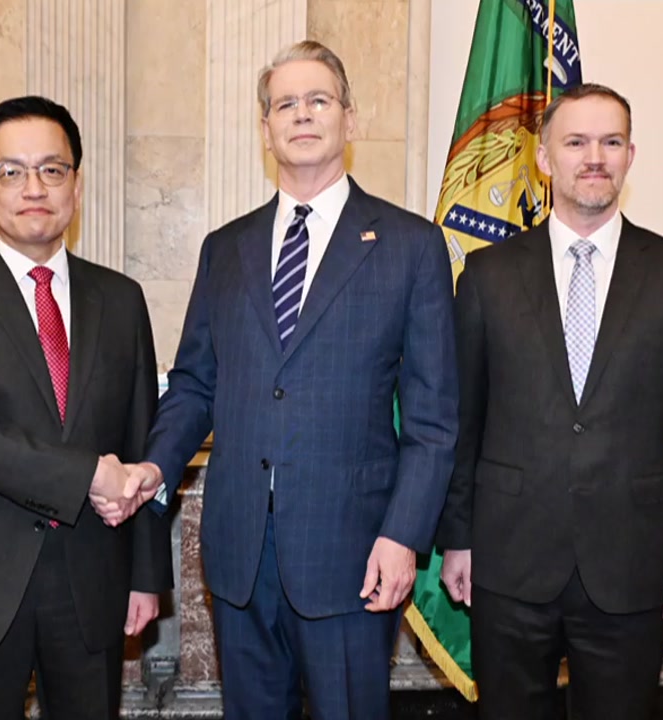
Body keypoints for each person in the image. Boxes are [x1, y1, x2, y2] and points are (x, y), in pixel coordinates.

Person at [130, 41, 458, 719]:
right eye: (285, 104)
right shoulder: (226, 249)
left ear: (349, 118)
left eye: (318, 100)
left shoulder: (410, 246)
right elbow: (195, 384)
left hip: (355, 551)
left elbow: (432, 421)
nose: (302, 114)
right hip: (240, 551)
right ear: (266, 128)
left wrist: (403, 537)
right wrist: (156, 468)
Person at [437, 82, 663, 720]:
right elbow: (464, 424)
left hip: (632, 564)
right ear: (544, 158)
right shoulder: (486, 277)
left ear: (630, 156)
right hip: (508, 560)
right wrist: (457, 538)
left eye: (611, 142)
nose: (595, 157)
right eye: (576, 142)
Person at [0, 95, 173, 720]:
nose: (34, 188)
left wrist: (147, 575)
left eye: (52, 169)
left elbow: (141, 438)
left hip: (93, 575)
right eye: (11, 171)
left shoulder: (120, 298)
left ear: (76, 184)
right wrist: (88, 474)